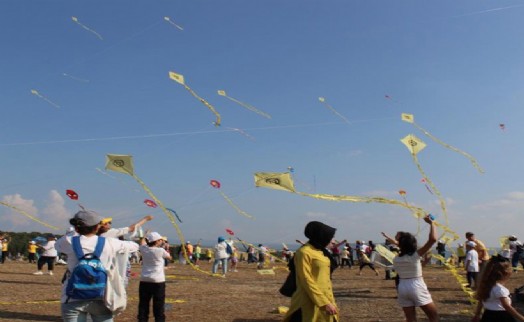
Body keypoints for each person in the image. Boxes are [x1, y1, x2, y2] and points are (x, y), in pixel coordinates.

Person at [55, 210, 139, 322]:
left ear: (76, 227)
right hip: (102, 296)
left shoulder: (68, 241)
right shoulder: (110, 242)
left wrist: (75, 232)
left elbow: (57, 246)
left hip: (72, 297)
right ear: (97, 227)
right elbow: (134, 246)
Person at [283, 221, 339, 322]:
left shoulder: (321, 251)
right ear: (320, 236)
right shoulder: (304, 252)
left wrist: (327, 301)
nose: (333, 241)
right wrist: (323, 303)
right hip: (307, 300)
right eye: (330, 237)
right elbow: (306, 279)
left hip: (327, 298)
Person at [393, 215, 438, 322]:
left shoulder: (396, 259)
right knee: (434, 317)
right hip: (417, 285)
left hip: (402, 286)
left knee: (410, 319)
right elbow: (433, 239)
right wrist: (432, 223)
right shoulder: (415, 255)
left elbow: (414, 268)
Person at [472, 255, 524, 322]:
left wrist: (477, 315)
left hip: (487, 315)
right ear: (505, 274)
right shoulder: (500, 290)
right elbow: (507, 306)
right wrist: (521, 318)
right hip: (501, 316)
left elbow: (480, 302)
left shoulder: (486, 287)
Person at [138, 232, 172, 322]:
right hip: (158, 281)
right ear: (157, 241)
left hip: (144, 280)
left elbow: (142, 243)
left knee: (143, 304)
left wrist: (145, 235)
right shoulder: (160, 251)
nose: (162, 241)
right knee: (159, 305)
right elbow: (169, 258)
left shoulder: (143, 249)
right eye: (160, 240)